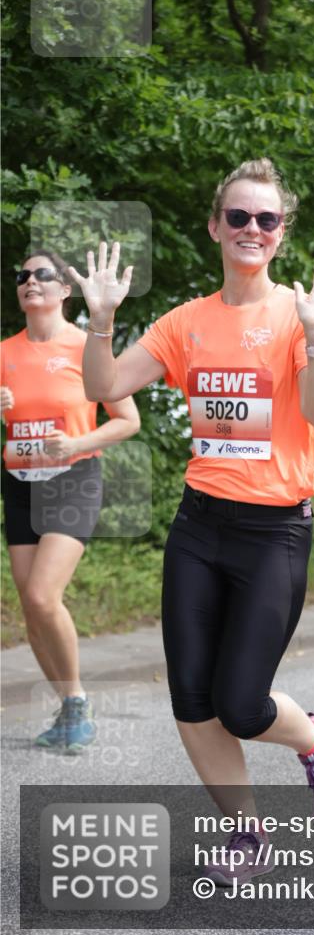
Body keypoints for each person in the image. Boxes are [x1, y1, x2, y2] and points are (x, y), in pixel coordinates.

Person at [73, 158, 314, 883]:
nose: (251, 229)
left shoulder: (304, 316)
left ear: (281, 233)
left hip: (274, 532)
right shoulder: (185, 323)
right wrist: (101, 322)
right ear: (215, 227)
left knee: (239, 702)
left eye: (266, 219)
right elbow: (105, 386)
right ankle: (246, 834)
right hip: (200, 527)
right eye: (238, 217)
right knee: (192, 696)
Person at [1, 249, 140, 753]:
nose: (30, 282)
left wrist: (80, 444)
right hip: (19, 482)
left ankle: (77, 702)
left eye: (42, 275)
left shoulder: (86, 347)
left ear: (64, 290)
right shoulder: (4, 352)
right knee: (32, 608)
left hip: (73, 478)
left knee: (42, 595)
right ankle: (66, 709)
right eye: (23, 276)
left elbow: (128, 419)